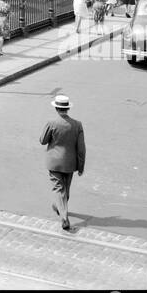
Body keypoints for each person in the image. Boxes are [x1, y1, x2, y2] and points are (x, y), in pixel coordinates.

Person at [39, 94, 86, 232]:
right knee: (65, 189)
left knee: (59, 189)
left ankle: (64, 216)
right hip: (70, 163)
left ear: (56, 109)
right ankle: (58, 206)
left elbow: (43, 140)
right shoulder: (77, 125)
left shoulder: (51, 123)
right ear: (67, 109)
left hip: (54, 162)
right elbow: (81, 148)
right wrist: (81, 166)